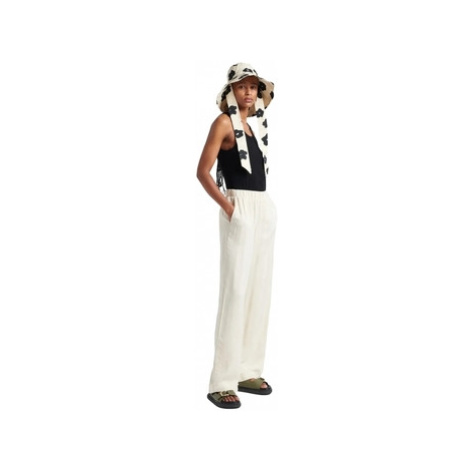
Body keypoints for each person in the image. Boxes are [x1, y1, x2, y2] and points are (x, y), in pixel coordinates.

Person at [196, 63, 277, 409]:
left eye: (253, 87)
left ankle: (247, 370)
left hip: (262, 208)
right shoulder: (224, 123)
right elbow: (203, 172)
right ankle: (222, 381)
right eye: (242, 86)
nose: (248, 92)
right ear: (231, 90)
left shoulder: (251, 127)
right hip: (240, 207)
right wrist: (230, 208)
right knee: (236, 291)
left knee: (259, 290)